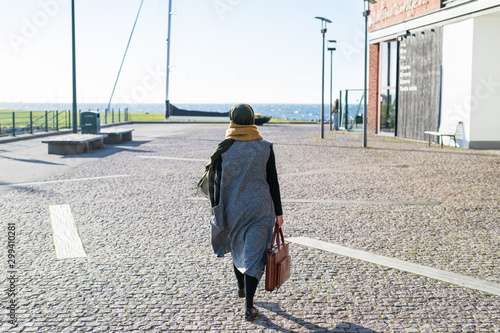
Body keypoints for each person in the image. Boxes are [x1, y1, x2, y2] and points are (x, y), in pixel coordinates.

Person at [203, 103, 284, 321]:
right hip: (260, 208)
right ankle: (248, 305)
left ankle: (241, 288)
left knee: (238, 245)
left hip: (233, 208)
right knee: (255, 254)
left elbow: (216, 185)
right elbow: (273, 182)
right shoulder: (265, 147)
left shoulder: (224, 148)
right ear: (251, 120)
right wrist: (279, 211)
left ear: (233, 120)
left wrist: (216, 211)